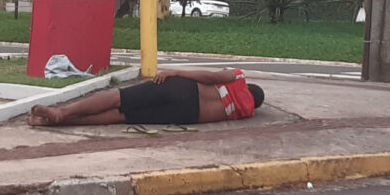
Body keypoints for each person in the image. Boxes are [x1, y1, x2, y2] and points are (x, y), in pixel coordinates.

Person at [28, 68, 264, 127]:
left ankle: (61, 112)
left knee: (117, 98)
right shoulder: (244, 112)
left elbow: (211, 76)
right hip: (187, 115)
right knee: (118, 116)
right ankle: (53, 122)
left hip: (184, 89)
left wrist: (175, 72)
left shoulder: (239, 77)